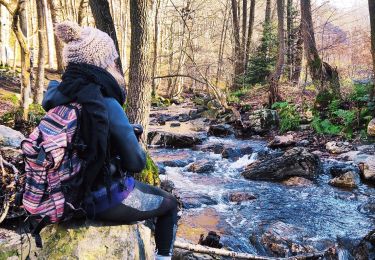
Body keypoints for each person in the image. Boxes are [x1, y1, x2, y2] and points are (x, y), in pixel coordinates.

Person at [42, 21, 178, 260]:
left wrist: (119, 133)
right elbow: (136, 163)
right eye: (112, 59)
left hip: (62, 198)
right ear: (102, 63)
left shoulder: (57, 96)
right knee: (169, 205)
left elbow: (81, 140)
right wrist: (130, 140)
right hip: (99, 201)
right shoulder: (105, 101)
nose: (115, 64)